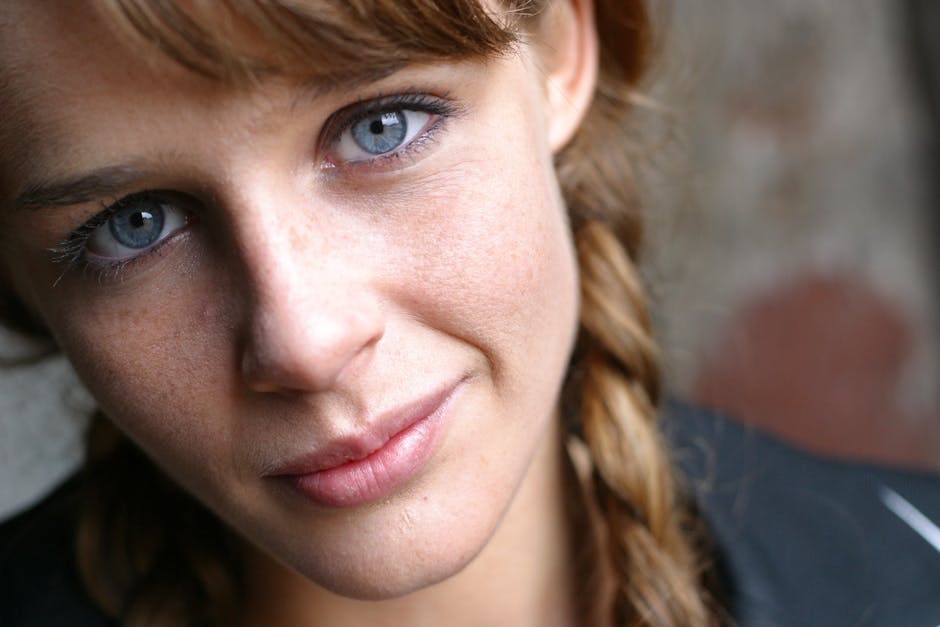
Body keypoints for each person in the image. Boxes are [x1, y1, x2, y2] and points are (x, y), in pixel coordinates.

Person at [0, 1, 720, 626]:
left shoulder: (835, 565)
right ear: (18, 281)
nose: (305, 343)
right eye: (137, 223)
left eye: (382, 127)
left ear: (557, 50)